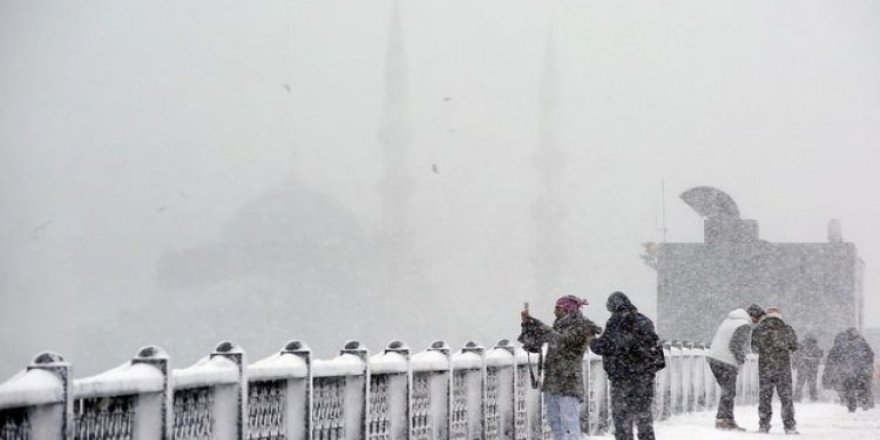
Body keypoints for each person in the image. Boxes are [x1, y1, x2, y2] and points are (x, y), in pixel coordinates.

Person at [520, 295, 602, 440]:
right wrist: (527, 324)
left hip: (569, 382)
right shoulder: (559, 326)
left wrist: (536, 322)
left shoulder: (581, 327)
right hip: (553, 381)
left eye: (557, 308)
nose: (554, 311)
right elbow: (533, 343)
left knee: (569, 422)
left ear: (567, 310)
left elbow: (562, 340)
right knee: (555, 421)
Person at [589, 291, 662, 440]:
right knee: (644, 416)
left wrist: (591, 340)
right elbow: (652, 346)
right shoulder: (645, 321)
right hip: (644, 377)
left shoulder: (615, 322)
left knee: (622, 418)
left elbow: (604, 346)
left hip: (622, 377)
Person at [705, 307, 758, 431]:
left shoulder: (729, 320)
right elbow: (735, 345)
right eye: (757, 320)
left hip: (714, 358)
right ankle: (723, 420)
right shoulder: (744, 325)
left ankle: (727, 419)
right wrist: (740, 359)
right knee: (729, 392)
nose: (756, 324)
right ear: (754, 317)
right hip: (726, 361)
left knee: (727, 391)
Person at [751, 306, 798, 435]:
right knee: (786, 398)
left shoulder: (759, 330)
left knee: (765, 397)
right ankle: (789, 426)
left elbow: (754, 347)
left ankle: (763, 425)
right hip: (783, 369)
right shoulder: (787, 329)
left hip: (765, 368)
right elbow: (794, 346)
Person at [822, 328, 875, 412]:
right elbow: (870, 356)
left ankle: (851, 405)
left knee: (849, 388)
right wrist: (867, 366)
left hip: (847, 371)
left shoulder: (842, 345)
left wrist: (835, 368)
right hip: (860, 371)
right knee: (862, 387)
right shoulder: (862, 343)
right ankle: (864, 403)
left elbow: (832, 358)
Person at [792, 334, 823, 402]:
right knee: (811, 383)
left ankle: (797, 397)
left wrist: (796, 363)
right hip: (811, 368)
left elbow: (795, 355)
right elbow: (819, 356)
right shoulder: (816, 347)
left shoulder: (802, 347)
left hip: (804, 367)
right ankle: (813, 398)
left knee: (801, 383)